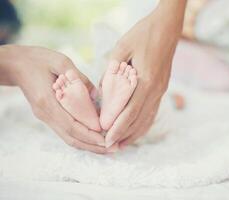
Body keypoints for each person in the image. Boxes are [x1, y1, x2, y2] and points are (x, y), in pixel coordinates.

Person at [0, 0, 187, 153]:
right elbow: (177, 100)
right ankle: (106, 109)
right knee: (158, 115)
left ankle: (92, 114)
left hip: (98, 92)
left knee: (89, 77)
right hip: (122, 108)